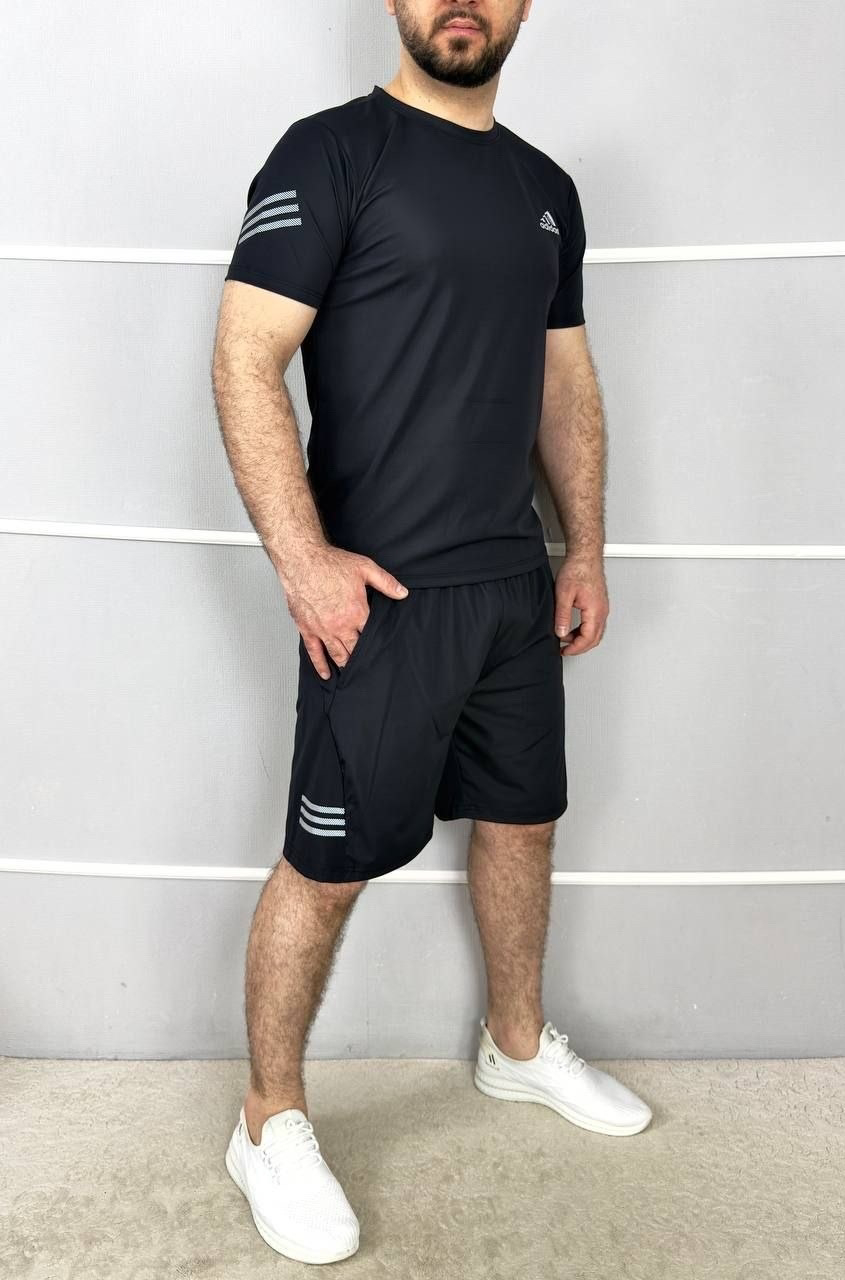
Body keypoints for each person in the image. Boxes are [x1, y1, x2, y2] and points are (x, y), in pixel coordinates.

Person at [212, 0, 650, 1264]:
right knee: (328, 863)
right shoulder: (330, 153)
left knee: (523, 816)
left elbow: (562, 379)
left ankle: (515, 1044)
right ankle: (267, 1117)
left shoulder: (545, 189)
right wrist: (304, 561)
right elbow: (244, 359)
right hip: (382, 599)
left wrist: (583, 546)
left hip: (512, 584)